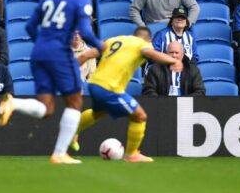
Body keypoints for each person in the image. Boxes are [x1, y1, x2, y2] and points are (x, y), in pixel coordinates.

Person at [0, 0, 102, 162]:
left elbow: (29, 27)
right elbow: (86, 32)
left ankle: (14, 102)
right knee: (75, 100)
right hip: (60, 53)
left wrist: (44, 43)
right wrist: (100, 46)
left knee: (46, 109)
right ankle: (59, 154)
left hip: (39, 53)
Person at [52, 26, 180, 163]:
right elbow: (150, 53)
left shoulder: (113, 40)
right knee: (139, 116)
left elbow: (85, 55)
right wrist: (173, 60)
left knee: (98, 113)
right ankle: (132, 154)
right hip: (109, 87)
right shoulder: (142, 44)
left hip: (95, 84)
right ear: (150, 39)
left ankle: (73, 132)